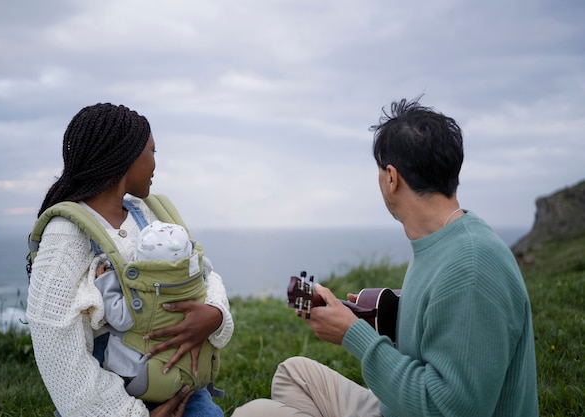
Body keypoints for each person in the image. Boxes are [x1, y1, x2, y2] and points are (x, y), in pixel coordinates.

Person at [231, 98, 539, 417]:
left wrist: (355, 335)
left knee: (250, 413)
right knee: (293, 373)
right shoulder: (445, 240)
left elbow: (451, 408)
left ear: (392, 177)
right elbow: (442, 324)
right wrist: (381, 316)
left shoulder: (472, 266)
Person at [26, 103, 233, 417]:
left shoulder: (149, 214)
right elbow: (55, 343)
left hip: (185, 391)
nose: (155, 164)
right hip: (109, 405)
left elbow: (203, 273)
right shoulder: (66, 235)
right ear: (128, 155)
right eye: (152, 151)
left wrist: (214, 314)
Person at [94, 220, 220, 402]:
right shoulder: (198, 276)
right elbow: (207, 268)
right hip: (189, 370)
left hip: (143, 377)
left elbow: (118, 317)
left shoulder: (143, 298)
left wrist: (106, 281)